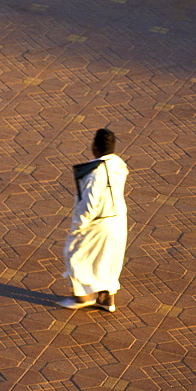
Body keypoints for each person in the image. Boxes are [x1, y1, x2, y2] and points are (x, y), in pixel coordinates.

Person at [58, 128, 128, 312]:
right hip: (118, 220)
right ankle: (106, 299)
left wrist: (79, 225)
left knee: (75, 254)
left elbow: (89, 204)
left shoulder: (95, 173)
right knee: (107, 258)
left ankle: (81, 297)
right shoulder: (118, 164)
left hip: (98, 222)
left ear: (95, 148)